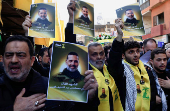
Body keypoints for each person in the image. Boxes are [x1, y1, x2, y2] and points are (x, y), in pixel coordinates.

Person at [0, 35, 99, 111]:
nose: (14, 60)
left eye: (20, 55)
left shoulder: (53, 86)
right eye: (9, 55)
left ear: (32, 61)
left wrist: (88, 100)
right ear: (2, 59)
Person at [107, 18, 154, 111]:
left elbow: (151, 97)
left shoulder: (147, 70)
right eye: (131, 52)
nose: (136, 54)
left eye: (137, 51)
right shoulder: (121, 72)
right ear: (123, 55)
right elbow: (114, 61)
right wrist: (120, 35)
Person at [88, 42, 123, 111]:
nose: (99, 57)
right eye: (94, 54)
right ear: (87, 56)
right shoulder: (85, 74)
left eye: (101, 53)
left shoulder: (109, 70)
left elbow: (115, 59)